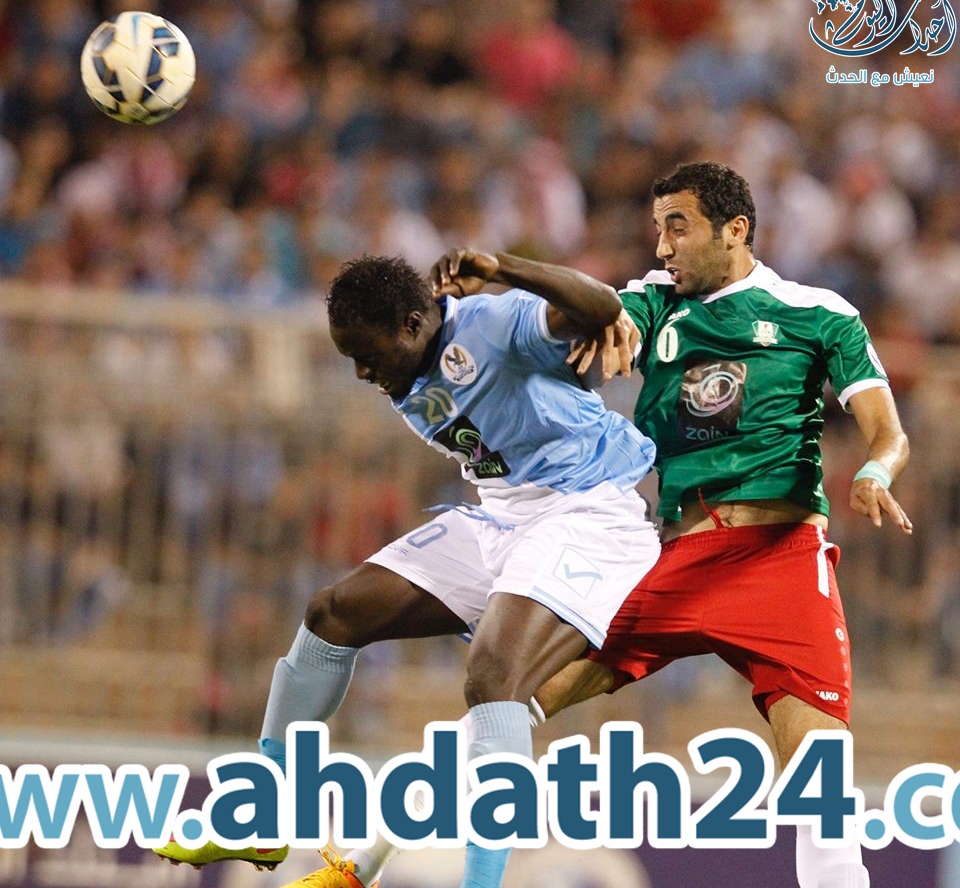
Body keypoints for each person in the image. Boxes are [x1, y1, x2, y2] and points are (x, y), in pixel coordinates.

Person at [289, 160, 914, 888]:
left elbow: (887, 431)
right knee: (508, 698)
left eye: (678, 227)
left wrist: (875, 471)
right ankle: (361, 865)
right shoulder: (653, 302)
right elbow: (598, 314)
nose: (663, 246)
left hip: (780, 564)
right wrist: (599, 325)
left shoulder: (820, 313)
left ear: (735, 230)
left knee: (820, 792)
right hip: (674, 561)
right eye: (657, 229)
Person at [156, 250, 660, 888]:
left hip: (590, 513)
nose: (363, 372)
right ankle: (267, 816)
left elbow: (599, 307)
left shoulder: (492, 323)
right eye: (351, 358)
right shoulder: (407, 368)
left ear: (413, 324)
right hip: (505, 516)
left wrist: (503, 268)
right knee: (332, 613)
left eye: (368, 354)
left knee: (494, 679)